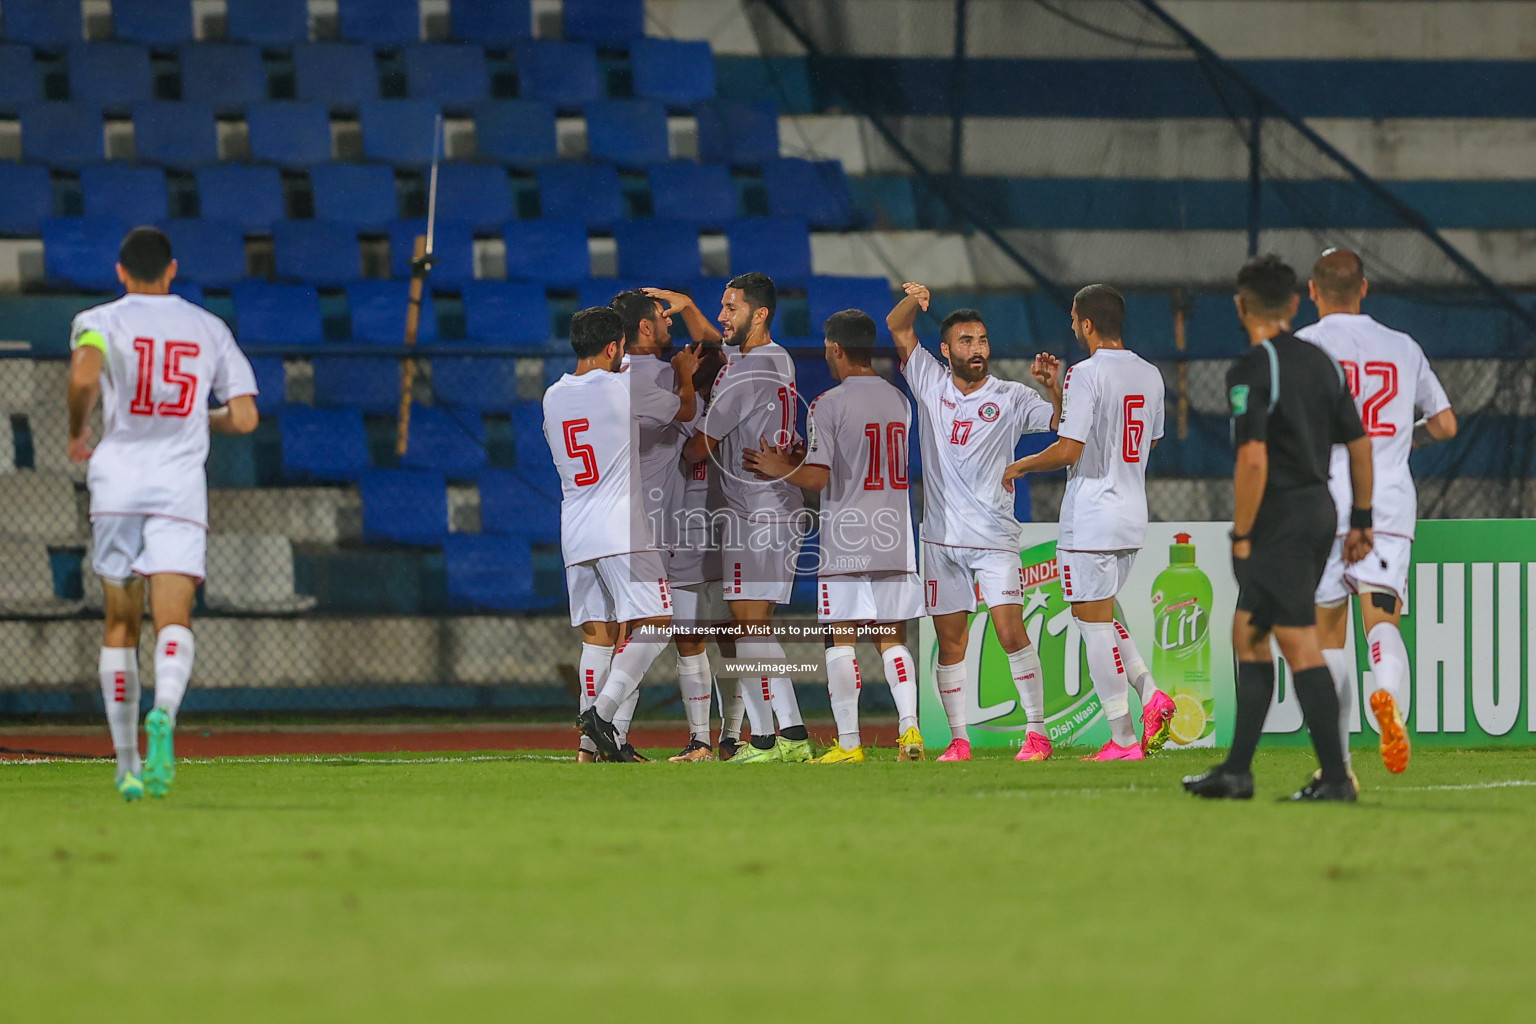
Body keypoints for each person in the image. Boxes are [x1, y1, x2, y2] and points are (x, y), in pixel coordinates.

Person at [65, 226, 259, 800]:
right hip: (178, 489)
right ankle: (165, 716)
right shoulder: (207, 328)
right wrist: (204, 420)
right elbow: (245, 417)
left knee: (120, 625)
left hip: (119, 485)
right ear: (172, 270)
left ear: (121, 272)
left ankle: (126, 765)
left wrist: (78, 429)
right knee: (173, 621)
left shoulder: (100, 321)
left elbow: (82, 377)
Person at [1183, 254, 1374, 802]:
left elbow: (1253, 460)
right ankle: (1237, 771)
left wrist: (1242, 533)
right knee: (1249, 632)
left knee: (1297, 640)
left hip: (1280, 519)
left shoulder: (1251, 368)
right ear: (1293, 304)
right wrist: (1362, 518)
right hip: (1320, 509)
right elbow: (1359, 446)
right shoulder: (1324, 364)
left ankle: (1337, 779)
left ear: (1241, 307)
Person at [1296, 249, 1456, 779]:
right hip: (1385, 501)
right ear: (1364, 288)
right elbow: (1447, 423)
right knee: (1382, 618)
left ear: (1314, 292)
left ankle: (1336, 768)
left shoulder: (1305, 347)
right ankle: (1386, 695)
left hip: (1324, 502)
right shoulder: (1402, 347)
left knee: (1326, 635)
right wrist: (1403, 440)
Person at [1001, 284, 1177, 761]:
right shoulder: (1151, 374)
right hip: (1131, 513)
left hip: (1092, 514)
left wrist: (1020, 465)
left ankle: (1123, 738)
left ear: (1088, 324)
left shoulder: (1088, 372)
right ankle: (1152, 694)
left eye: (1074, 319)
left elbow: (1069, 449)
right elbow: (1148, 442)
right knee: (1098, 614)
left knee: (1093, 624)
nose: (1072, 326)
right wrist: (1056, 394)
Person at [743, 309, 925, 763]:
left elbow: (820, 479)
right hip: (895, 535)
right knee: (892, 638)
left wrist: (779, 467)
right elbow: (857, 459)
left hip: (848, 538)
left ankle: (849, 744)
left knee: (841, 638)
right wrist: (807, 457)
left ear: (837, 348)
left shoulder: (828, 402)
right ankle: (910, 732)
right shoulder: (899, 401)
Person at [886, 283, 1057, 763]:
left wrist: (1053, 390)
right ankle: (958, 741)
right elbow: (897, 326)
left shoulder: (1012, 396)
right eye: (966, 341)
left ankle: (1038, 734)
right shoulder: (927, 379)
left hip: (994, 540)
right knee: (951, 642)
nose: (978, 349)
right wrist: (914, 301)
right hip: (940, 541)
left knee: (1009, 632)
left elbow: (1061, 425)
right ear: (946, 350)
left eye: (982, 341)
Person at [550, 307, 693, 763]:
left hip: (575, 529)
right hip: (621, 529)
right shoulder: (623, 388)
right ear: (614, 348)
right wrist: (685, 375)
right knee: (657, 622)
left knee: (598, 636)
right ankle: (603, 714)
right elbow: (682, 411)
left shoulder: (552, 395)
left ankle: (588, 750)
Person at [682, 272, 812, 763]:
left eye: (730, 308)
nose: (722, 317)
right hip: (777, 507)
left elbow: (700, 445)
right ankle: (774, 736)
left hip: (754, 512)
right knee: (752, 628)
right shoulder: (779, 358)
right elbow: (721, 346)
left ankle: (782, 736)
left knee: (748, 629)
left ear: (759, 314)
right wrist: (690, 306)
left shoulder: (743, 374)